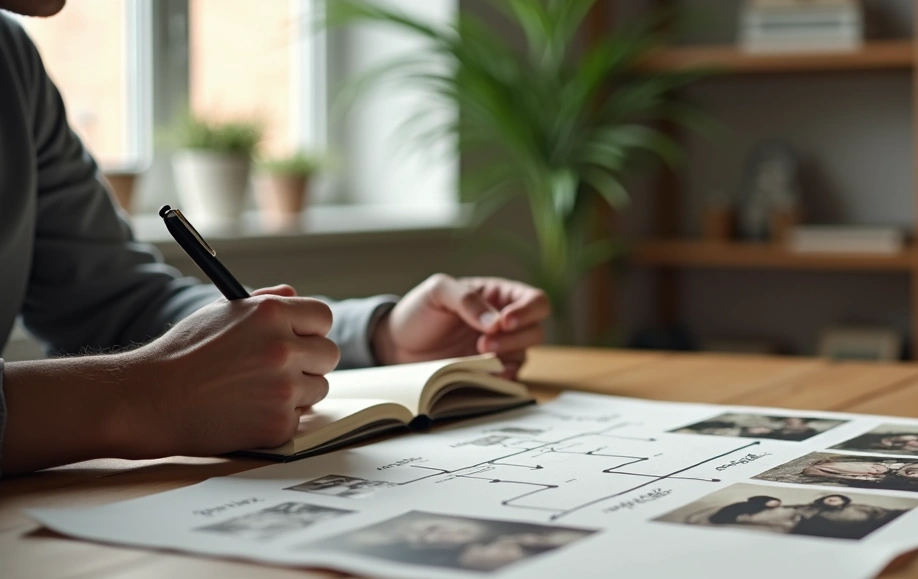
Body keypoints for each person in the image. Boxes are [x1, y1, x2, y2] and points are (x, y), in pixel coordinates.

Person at [0, 5, 550, 477]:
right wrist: (147, 396)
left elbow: (118, 304)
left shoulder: (12, 62)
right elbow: (158, 368)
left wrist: (381, 340)